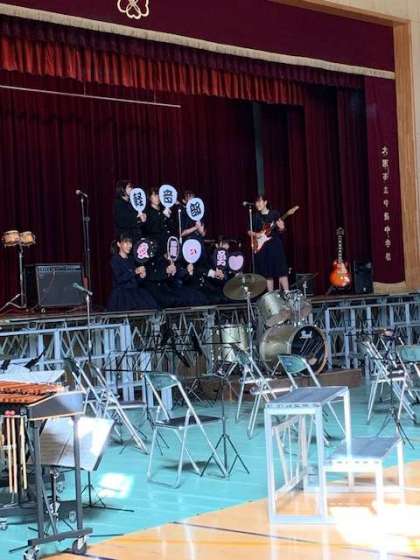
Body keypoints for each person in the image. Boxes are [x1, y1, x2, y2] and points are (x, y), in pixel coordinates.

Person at [107, 234, 158, 312]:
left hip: (134, 292)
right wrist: (134, 271)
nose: (129, 245)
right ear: (119, 244)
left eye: (130, 242)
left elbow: (135, 281)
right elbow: (119, 279)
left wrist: (141, 276)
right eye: (126, 242)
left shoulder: (131, 259)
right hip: (121, 295)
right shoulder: (115, 260)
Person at [249, 195, 289, 292]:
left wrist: (282, 227)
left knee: (281, 271)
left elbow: (281, 230)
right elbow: (249, 231)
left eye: (259, 201)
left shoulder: (274, 214)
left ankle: (287, 293)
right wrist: (256, 234)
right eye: (256, 202)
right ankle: (271, 295)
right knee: (267, 273)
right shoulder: (255, 216)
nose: (257, 204)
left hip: (275, 245)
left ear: (265, 202)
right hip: (263, 247)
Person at [142, 188, 173, 255]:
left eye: (158, 195)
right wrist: (163, 216)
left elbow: (170, 227)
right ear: (149, 197)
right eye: (155, 195)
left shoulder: (163, 209)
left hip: (167, 242)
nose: (157, 197)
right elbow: (151, 228)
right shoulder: (147, 211)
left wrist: (169, 217)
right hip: (156, 245)